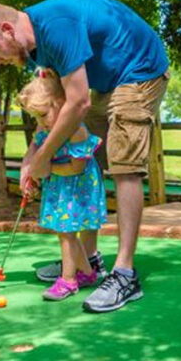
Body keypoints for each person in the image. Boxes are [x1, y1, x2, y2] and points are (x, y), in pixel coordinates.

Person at [0, 0, 169, 313]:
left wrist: (43, 158)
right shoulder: (33, 51)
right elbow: (54, 105)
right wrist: (31, 156)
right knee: (86, 149)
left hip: (140, 70)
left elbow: (78, 102)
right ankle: (86, 263)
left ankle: (125, 274)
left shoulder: (56, 27)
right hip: (107, 82)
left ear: (7, 29)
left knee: (124, 164)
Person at [18, 70, 108, 301]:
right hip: (62, 186)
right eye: (36, 118)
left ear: (60, 103)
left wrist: (46, 170)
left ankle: (68, 280)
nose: (40, 123)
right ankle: (88, 273)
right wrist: (33, 177)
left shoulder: (76, 131)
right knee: (64, 232)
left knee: (67, 233)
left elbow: (76, 168)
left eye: (43, 115)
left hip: (78, 189)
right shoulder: (47, 130)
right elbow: (40, 157)